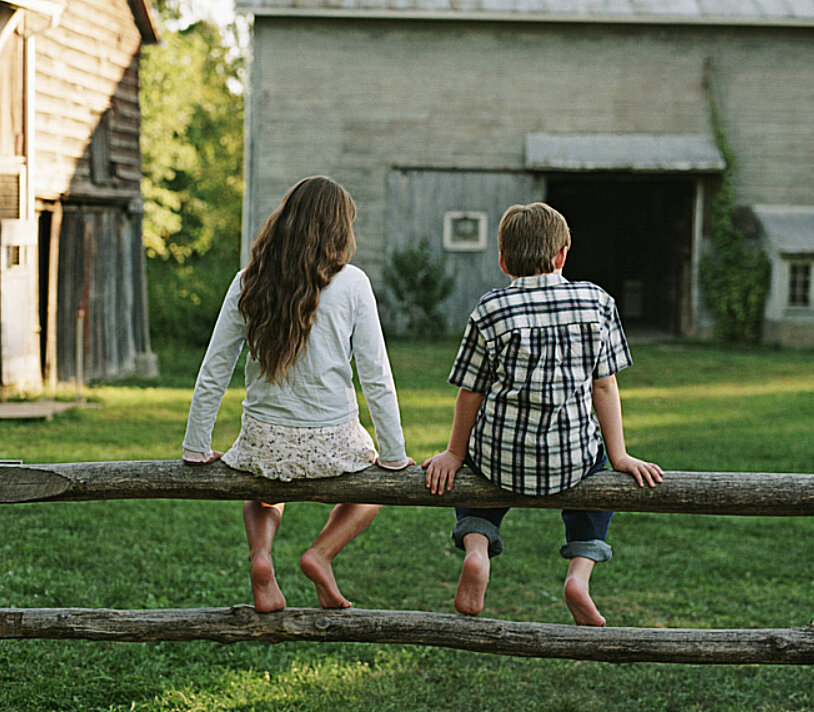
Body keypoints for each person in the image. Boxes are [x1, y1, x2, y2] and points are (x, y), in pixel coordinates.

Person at [422, 202, 663, 627]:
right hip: (570, 462)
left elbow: (470, 391)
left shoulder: (490, 309)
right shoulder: (597, 302)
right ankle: (579, 576)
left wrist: (454, 453)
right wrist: (620, 456)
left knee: (475, 478)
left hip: (500, 459)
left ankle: (477, 550)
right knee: (600, 480)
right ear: (562, 256)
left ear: (502, 261)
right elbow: (604, 385)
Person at [182, 176, 413, 612]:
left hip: (264, 443)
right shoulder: (354, 283)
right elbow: (376, 376)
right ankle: (320, 554)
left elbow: (214, 368)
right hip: (335, 444)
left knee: (265, 489)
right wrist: (395, 456)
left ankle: (262, 557)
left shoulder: (248, 280)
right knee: (373, 490)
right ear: (338, 229)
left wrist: (196, 446)